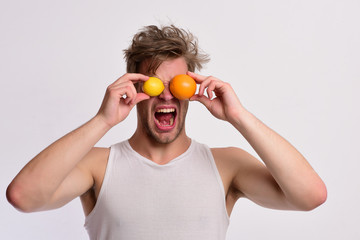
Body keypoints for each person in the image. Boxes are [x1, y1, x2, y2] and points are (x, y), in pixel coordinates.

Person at [7, 25, 327, 240]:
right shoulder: (97, 166)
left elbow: (310, 197)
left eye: (177, 85)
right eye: (155, 84)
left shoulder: (227, 165)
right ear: (134, 87)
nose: (166, 96)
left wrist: (238, 117)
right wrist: (102, 121)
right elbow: (23, 197)